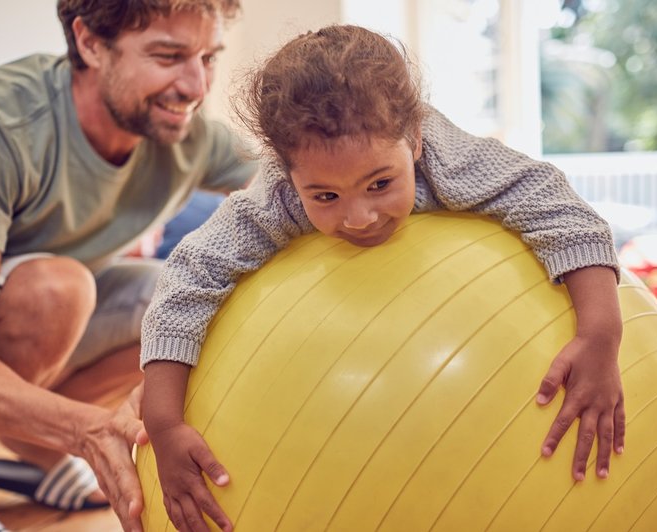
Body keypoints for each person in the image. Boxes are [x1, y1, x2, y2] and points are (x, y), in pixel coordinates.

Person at [140, 25, 625, 531]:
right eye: (325, 196)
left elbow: (558, 207)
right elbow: (189, 275)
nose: (360, 217)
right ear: (289, 176)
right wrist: (165, 422)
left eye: (380, 183)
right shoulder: (276, 198)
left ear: (413, 142)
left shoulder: (450, 161)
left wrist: (600, 334)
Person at [0, 0, 256, 530]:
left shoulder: (189, 138)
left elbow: (302, 178)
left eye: (207, 57)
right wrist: (82, 429)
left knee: (175, 301)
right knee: (58, 291)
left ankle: (31, 452)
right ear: (89, 43)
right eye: (168, 56)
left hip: (32, 338)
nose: (196, 86)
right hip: (21, 314)